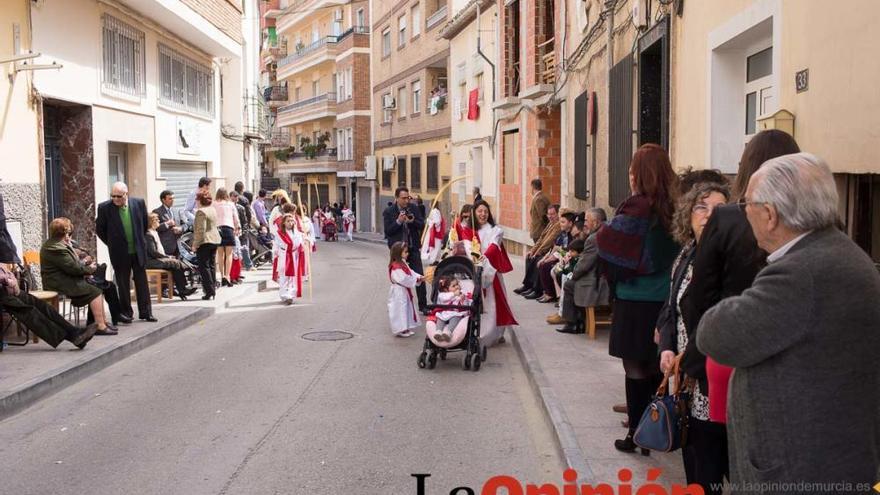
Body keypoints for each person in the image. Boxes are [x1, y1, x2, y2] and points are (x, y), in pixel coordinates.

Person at [697, 153, 880, 489]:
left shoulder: (800, 273)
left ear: (770, 215)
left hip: (800, 468)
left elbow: (716, 334)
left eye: (747, 203)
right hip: (833, 457)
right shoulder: (838, 252)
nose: (744, 211)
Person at [683, 130, 801, 486]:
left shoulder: (728, 219)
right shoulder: (810, 223)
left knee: (711, 457)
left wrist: (698, 354)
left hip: (724, 358)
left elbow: (698, 296)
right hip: (783, 361)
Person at [596, 144, 679, 455]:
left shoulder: (637, 207)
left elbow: (607, 240)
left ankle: (636, 433)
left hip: (635, 298)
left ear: (640, 174)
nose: (630, 175)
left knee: (634, 368)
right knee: (658, 365)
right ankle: (656, 427)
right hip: (665, 300)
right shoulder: (674, 207)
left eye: (633, 170)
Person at [656, 180, 729, 493]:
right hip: (683, 376)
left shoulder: (729, 259)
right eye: (701, 206)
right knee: (692, 453)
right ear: (687, 214)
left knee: (711, 458)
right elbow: (669, 307)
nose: (708, 215)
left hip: (712, 377)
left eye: (718, 209)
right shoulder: (685, 254)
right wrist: (667, 347)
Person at [41, 218, 117, 335]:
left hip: (65, 278)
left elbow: (73, 264)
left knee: (99, 287)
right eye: (68, 232)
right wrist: (90, 270)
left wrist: (86, 265)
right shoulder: (56, 248)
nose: (69, 235)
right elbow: (73, 268)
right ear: (63, 232)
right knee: (95, 291)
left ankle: (102, 322)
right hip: (58, 281)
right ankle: (100, 326)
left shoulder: (58, 244)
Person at [95, 182, 156, 322]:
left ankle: (146, 312)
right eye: (113, 196)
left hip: (138, 250)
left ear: (126, 194)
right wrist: (111, 243)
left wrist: (140, 240)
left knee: (141, 282)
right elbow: (100, 230)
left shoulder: (138, 203)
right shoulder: (104, 208)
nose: (115, 199)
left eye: (119, 196)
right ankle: (127, 313)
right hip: (119, 252)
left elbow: (144, 225)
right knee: (123, 283)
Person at [1, 263, 96, 349]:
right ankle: (74, 336)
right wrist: (6, 279)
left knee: (41, 305)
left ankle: (74, 332)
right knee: (28, 311)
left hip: (9, 290)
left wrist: (10, 279)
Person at [471, 200, 518, 346]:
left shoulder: (495, 230)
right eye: (480, 211)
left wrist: (483, 257)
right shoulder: (470, 229)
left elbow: (493, 245)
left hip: (490, 270)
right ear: (474, 212)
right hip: (474, 269)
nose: (483, 214)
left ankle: (491, 335)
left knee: (492, 303)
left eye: (485, 211)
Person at [555, 208, 609, 333]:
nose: (584, 223)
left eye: (586, 220)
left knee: (569, 284)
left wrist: (573, 274)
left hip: (599, 283)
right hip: (605, 278)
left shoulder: (594, 238)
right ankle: (579, 320)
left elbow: (583, 266)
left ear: (595, 222)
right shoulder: (607, 232)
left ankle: (572, 323)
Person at [382, 187, 427, 312]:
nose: (406, 200)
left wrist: (411, 221)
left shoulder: (413, 208)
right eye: (403, 198)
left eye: (408, 197)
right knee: (399, 278)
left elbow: (422, 224)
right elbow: (388, 231)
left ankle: (423, 305)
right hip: (398, 250)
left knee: (419, 275)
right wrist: (399, 221)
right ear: (396, 198)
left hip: (412, 247)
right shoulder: (389, 211)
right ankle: (399, 306)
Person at [146, 213, 195, 300]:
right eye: (157, 220)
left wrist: (167, 257)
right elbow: (153, 252)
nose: (159, 221)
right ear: (151, 222)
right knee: (175, 263)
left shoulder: (154, 232)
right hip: (151, 261)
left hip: (158, 259)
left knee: (176, 264)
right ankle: (183, 289)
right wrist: (167, 257)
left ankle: (182, 290)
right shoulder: (148, 234)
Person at [515, 205, 561, 297]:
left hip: (550, 251)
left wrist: (538, 252)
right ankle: (528, 285)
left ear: (558, 214)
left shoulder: (558, 225)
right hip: (544, 250)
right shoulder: (550, 224)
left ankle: (537, 290)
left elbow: (549, 241)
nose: (550, 216)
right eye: (549, 214)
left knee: (537, 259)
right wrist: (533, 250)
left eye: (553, 214)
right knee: (529, 257)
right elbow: (541, 239)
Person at [533, 211, 576, 303]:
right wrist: (546, 257)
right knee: (542, 263)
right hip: (558, 257)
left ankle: (553, 295)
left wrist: (553, 255)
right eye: (560, 222)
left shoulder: (572, 235)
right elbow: (555, 247)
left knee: (550, 268)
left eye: (563, 222)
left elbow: (565, 250)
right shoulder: (562, 234)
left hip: (564, 260)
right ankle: (547, 292)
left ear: (570, 223)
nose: (561, 224)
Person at [387, 241, 423, 337]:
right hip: (399, 291)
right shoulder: (396, 267)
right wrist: (417, 279)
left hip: (403, 290)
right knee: (400, 309)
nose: (407, 254)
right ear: (398, 253)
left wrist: (419, 276)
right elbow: (403, 279)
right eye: (405, 252)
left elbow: (411, 273)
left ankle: (406, 327)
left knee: (406, 308)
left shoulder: (403, 263)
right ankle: (401, 329)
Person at [192, 191, 220, 300]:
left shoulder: (201, 212)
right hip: (215, 240)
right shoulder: (212, 209)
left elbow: (200, 230)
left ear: (199, 200)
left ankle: (209, 291)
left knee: (204, 267)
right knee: (212, 265)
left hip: (205, 241)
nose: (196, 201)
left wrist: (195, 244)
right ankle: (212, 289)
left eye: (197, 199)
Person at [272, 213, 305, 304]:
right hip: (284, 255)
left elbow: (300, 243)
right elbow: (276, 245)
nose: (290, 223)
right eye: (288, 221)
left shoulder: (297, 232)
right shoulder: (279, 233)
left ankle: (290, 294)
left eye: (292, 221)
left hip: (294, 255)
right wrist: (275, 255)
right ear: (283, 223)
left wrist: (305, 240)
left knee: (293, 277)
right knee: (284, 276)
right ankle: (284, 295)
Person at [429, 276, 471, 342]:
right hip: (445, 312)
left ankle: (448, 332)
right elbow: (444, 298)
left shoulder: (462, 293)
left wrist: (463, 299)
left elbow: (466, 305)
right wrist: (454, 294)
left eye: (457, 284)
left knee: (455, 318)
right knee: (440, 318)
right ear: (446, 289)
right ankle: (438, 331)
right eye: (453, 286)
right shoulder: (443, 295)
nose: (457, 287)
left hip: (456, 312)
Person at [213, 188, 240, 287]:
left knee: (220, 254)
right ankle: (227, 276)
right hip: (229, 228)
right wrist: (237, 228)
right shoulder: (231, 204)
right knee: (229, 254)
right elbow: (235, 218)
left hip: (218, 229)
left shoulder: (214, 204)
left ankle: (221, 275)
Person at [152, 190, 183, 257]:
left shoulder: (177, 210)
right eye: (170, 199)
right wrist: (167, 224)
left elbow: (184, 224)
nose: (173, 200)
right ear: (163, 200)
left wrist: (180, 228)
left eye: (173, 198)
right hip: (166, 247)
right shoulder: (157, 211)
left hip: (178, 246)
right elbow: (154, 228)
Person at [230, 190, 253, 272]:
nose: (235, 199)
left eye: (236, 198)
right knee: (234, 251)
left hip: (240, 230)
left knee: (244, 248)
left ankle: (248, 265)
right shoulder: (228, 207)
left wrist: (244, 231)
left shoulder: (240, 208)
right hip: (231, 231)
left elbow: (244, 221)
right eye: (233, 197)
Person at [528, 178, 551, 243]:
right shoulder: (542, 196)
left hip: (539, 231)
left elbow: (543, 216)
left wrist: (547, 229)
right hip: (540, 231)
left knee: (539, 251)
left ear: (533, 187)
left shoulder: (539, 199)